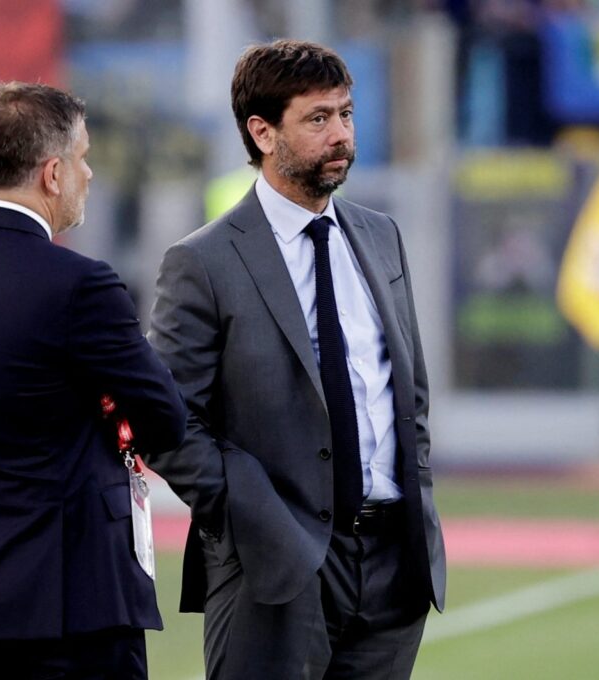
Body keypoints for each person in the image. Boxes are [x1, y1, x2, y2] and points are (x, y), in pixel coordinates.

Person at [146, 40, 446, 679]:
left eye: (346, 114)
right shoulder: (202, 262)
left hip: (394, 562)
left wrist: (413, 492)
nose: (340, 134)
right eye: (317, 119)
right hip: (273, 568)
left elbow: (407, 391)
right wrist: (253, 516)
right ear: (262, 132)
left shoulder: (380, 235)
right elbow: (167, 422)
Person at [0, 82, 186, 680]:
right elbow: (165, 416)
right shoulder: (79, 284)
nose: (90, 173)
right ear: (52, 174)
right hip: (73, 603)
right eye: (82, 158)